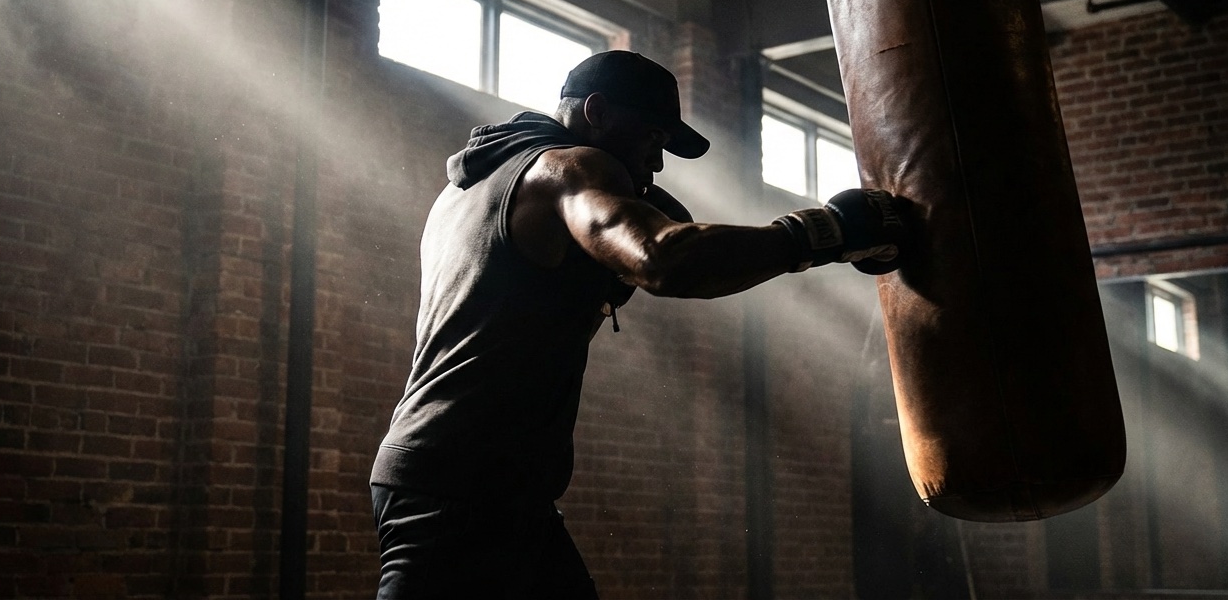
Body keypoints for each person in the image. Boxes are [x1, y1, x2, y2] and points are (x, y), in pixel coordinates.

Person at [370, 50, 905, 599]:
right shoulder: (570, 167)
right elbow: (659, 258)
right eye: (651, 137)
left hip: (489, 487)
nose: (657, 162)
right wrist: (827, 232)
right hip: (457, 486)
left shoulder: (468, 189)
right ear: (596, 113)